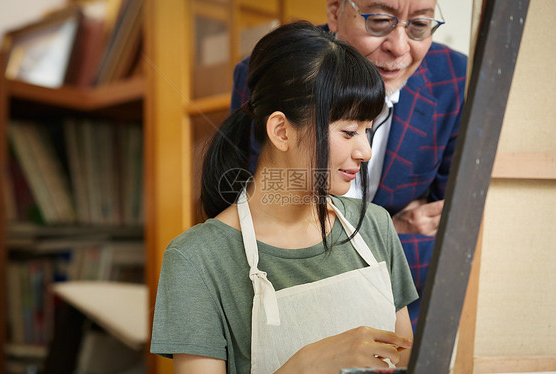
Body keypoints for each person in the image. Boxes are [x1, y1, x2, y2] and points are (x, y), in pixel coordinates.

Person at [151, 21, 418, 374]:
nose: (365, 152)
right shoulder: (196, 259)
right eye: (349, 131)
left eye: (368, 131)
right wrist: (308, 364)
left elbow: (409, 360)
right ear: (281, 130)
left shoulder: (374, 225)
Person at [230, 0, 468, 328]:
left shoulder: (455, 79)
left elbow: (452, 245)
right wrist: (388, 230)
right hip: (288, 314)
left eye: (419, 24)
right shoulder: (279, 68)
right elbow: (266, 225)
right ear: (335, 11)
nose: (400, 47)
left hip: (407, 313)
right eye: (380, 21)